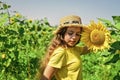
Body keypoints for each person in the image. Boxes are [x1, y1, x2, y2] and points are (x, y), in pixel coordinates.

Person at [39, 15, 90, 80]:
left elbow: (88, 49)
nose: (74, 37)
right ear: (62, 33)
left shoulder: (74, 49)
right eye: (70, 33)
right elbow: (45, 77)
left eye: (77, 34)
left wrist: (98, 38)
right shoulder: (61, 52)